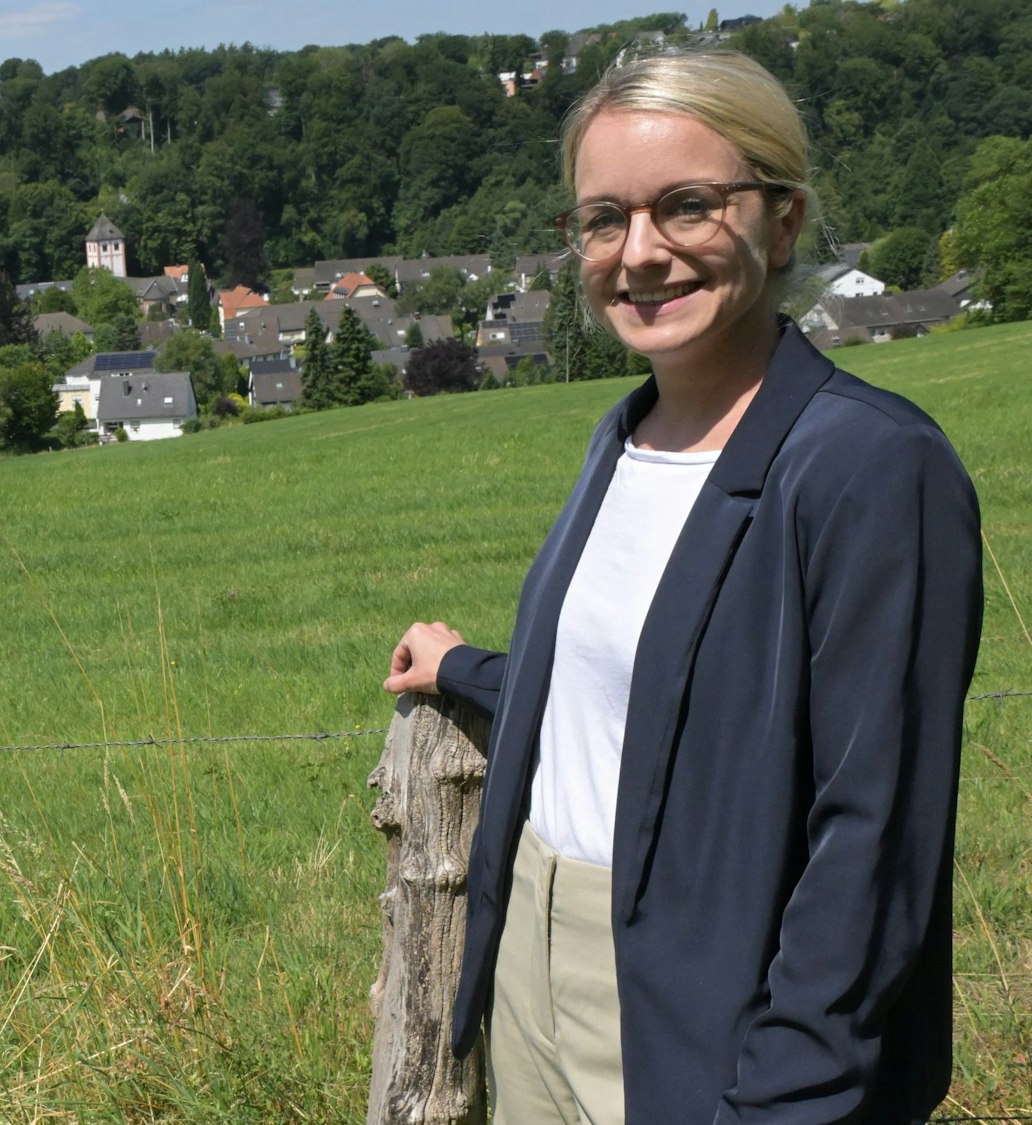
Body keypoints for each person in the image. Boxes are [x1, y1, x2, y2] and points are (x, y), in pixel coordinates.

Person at [382, 48, 983, 1125]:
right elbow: (650, 687)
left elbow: (870, 841)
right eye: (603, 219)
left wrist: (789, 1095)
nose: (639, 253)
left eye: (687, 206)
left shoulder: (866, 467)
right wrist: (461, 670)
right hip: (532, 960)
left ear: (783, 219)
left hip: (702, 1001)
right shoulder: (624, 439)